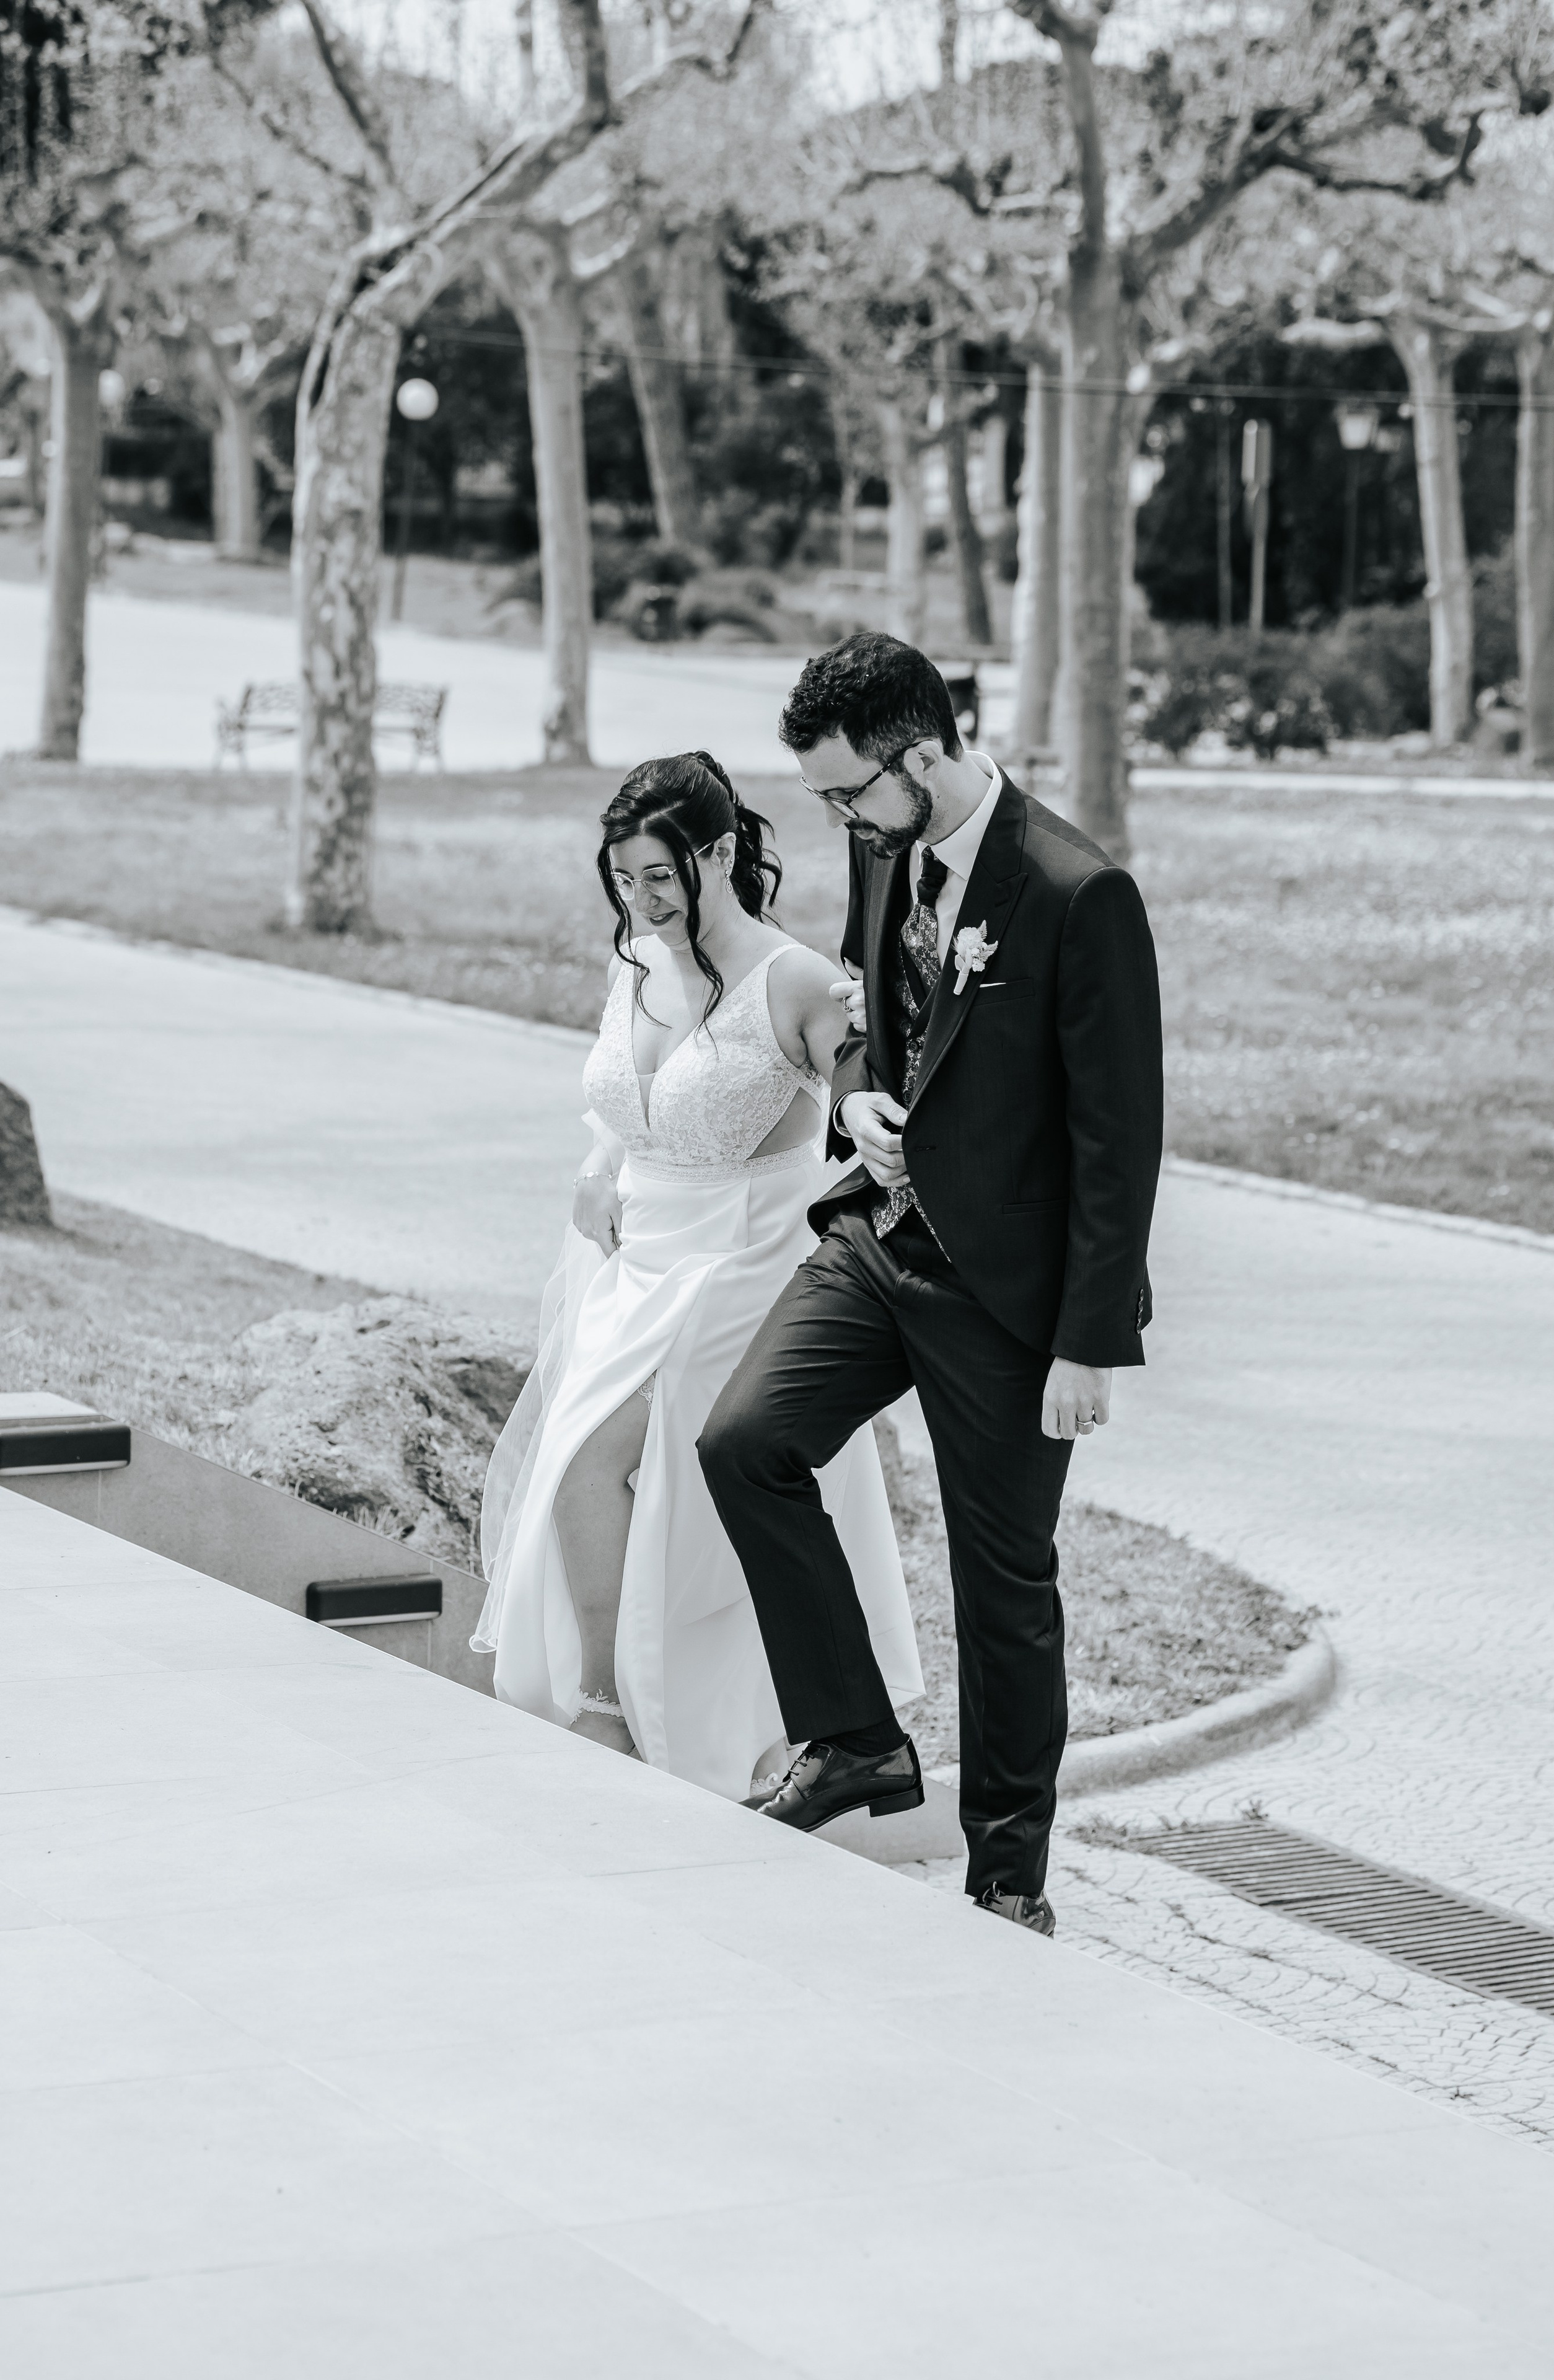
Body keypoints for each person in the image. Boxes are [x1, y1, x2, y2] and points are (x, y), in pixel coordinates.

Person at [698, 637, 1163, 1933]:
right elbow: (858, 1023)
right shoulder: (881, 847)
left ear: (920, 754)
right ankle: (852, 1736)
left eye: (851, 793)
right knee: (742, 1443)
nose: (839, 820)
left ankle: (1007, 1880)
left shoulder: (1078, 894)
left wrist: (1089, 1344)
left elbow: (1116, 1145)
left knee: (999, 1584)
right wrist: (859, 1105)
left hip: (1008, 1299)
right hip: (877, 1245)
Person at [475, 750, 922, 1801]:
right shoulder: (637, 958)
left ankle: (613, 1711)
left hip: (742, 1268)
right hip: (633, 1263)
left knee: (597, 1459)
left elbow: (872, 1099)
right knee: (574, 1468)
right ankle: (617, 1697)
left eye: (662, 876)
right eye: (625, 879)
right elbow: (619, 1103)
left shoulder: (799, 980)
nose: (643, 900)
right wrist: (597, 1170)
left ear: (721, 852)